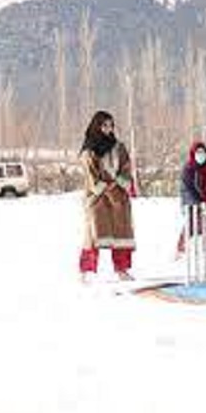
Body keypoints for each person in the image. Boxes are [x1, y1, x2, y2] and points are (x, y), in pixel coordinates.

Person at [79, 110, 135, 283]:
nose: (108, 129)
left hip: (118, 196)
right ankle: (86, 270)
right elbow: (91, 176)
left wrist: (120, 181)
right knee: (94, 235)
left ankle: (122, 269)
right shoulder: (89, 151)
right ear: (97, 126)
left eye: (111, 125)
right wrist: (103, 186)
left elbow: (126, 167)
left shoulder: (119, 147)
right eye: (104, 125)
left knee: (121, 234)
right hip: (99, 198)